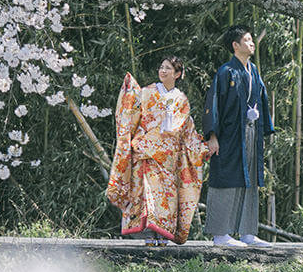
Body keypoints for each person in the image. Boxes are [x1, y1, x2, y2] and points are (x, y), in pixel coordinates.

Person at [106, 57, 210, 245]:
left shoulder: (182, 99)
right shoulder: (147, 92)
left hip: (170, 156)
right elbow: (133, 116)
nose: (163, 71)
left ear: (177, 74)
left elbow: (188, 129)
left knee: (167, 197)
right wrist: (138, 138)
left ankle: (163, 233)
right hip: (148, 151)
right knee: (148, 195)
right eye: (161, 67)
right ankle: (148, 233)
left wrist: (200, 147)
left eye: (168, 68)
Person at [204, 25, 274, 247]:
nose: (252, 43)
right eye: (247, 40)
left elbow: (261, 99)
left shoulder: (253, 71)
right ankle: (220, 234)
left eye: (252, 39)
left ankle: (247, 232)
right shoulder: (226, 71)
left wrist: (263, 127)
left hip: (250, 131)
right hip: (229, 134)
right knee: (226, 178)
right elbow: (213, 103)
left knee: (250, 178)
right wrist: (212, 136)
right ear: (235, 45)